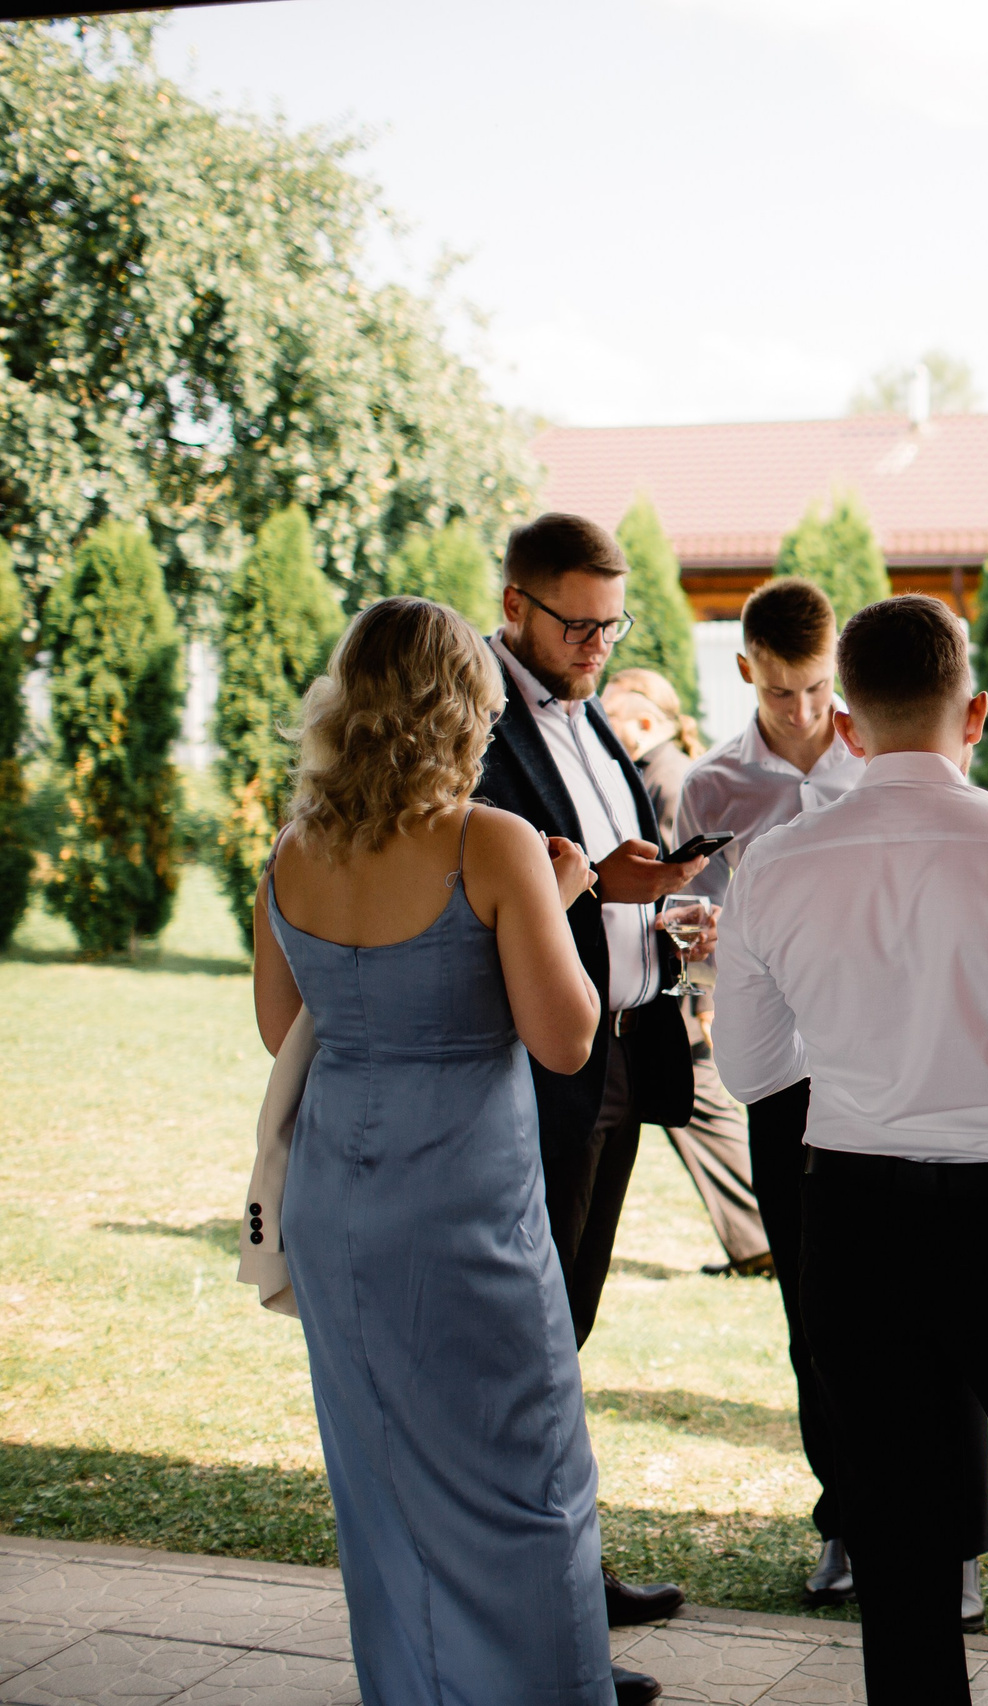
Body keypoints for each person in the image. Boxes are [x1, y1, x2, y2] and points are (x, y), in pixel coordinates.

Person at [715, 595, 988, 1705]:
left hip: (854, 1226)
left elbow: (750, 1067)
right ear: (978, 713)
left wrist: (867, 1027)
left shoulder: (771, 867)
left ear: (849, 726)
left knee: (903, 1566)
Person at [251, 597, 660, 1706]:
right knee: (524, 1468)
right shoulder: (491, 839)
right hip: (462, 1202)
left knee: (381, 1475)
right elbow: (566, 1037)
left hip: (338, 1200)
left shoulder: (295, 849)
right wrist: (559, 899)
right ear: (462, 706)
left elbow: (280, 1027)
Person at [674, 578, 988, 1623]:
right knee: (817, 1313)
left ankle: (953, 1544)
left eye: (818, 690)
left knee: (939, 1308)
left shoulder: (890, 752)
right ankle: (847, 1520)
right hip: (780, 1077)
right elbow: (681, 910)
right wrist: (696, 933)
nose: (804, 712)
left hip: (901, 1063)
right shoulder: (711, 787)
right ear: (746, 674)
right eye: (780, 692)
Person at [472, 512, 708, 1630]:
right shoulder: (468, 724)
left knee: (569, 1320)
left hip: (622, 1045)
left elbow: (610, 872)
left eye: (612, 626)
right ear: (514, 603)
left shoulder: (600, 724)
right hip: (531, 1060)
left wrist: (661, 905)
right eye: (577, 624)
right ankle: (540, 1581)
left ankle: (565, 1560)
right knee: (530, 1330)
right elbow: (478, 895)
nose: (598, 647)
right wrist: (595, 888)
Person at [600, 667, 770, 1281]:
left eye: (612, 713)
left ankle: (763, 1237)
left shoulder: (667, 779)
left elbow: (693, 890)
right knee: (695, 1103)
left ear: (646, 723)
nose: (600, 720)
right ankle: (758, 1238)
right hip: (673, 970)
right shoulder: (655, 774)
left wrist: (702, 993)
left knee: (699, 1099)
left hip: (678, 973)